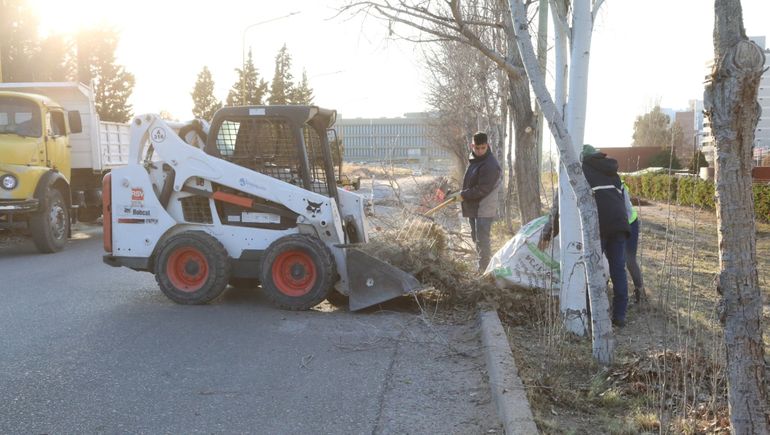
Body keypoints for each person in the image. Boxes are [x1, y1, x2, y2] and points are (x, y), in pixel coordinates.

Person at [539, 145, 631, 327]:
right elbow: (622, 202)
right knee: (618, 270)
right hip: (620, 225)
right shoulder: (612, 171)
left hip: (598, 226)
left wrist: (547, 234)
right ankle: (620, 315)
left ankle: (589, 312)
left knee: (591, 269)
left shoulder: (579, 172)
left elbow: (558, 207)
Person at [452, 132, 501, 273]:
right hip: (474, 205)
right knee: (475, 237)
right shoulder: (474, 159)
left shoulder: (490, 165)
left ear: (487, 145)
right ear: (472, 146)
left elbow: (482, 189)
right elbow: (471, 183)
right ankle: (483, 266)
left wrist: (462, 195)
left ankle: (484, 270)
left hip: (484, 207)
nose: (479, 151)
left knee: (482, 239)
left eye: (483, 148)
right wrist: (459, 193)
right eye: (477, 148)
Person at [622, 182, 645, 303]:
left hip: (629, 223)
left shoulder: (619, 183)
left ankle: (640, 293)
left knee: (630, 260)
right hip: (613, 224)